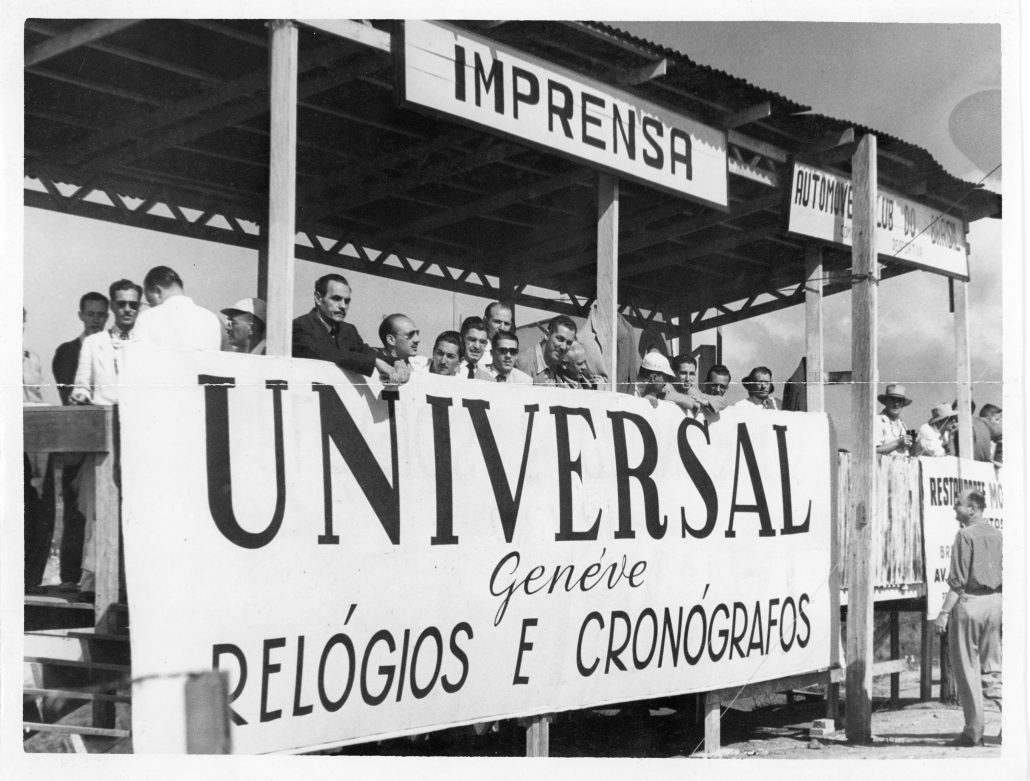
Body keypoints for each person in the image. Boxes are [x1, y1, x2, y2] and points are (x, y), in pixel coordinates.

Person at [934, 489, 1002, 747]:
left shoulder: (964, 535)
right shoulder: (997, 534)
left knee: (967, 669)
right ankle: (1014, 724)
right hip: (995, 602)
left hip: (970, 603)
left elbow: (957, 583)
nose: (954, 508)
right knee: (993, 668)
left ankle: (973, 732)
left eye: (958, 504)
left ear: (972, 508)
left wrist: (943, 613)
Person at [292, 274, 408, 384]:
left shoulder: (348, 330)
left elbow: (366, 352)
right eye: (336, 299)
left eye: (347, 301)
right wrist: (374, 362)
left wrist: (396, 362)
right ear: (318, 298)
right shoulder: (300, 326)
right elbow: (326, 353)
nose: (343, 306)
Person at [70, 280, 142, 406]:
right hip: (105, 417)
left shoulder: (148, 342)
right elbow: (82, 386)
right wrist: (80, 395)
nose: (127, 309)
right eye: (121, 304)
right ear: (112, 306)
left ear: (139, 307)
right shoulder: (92, 343)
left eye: (133, 305)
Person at [133, 265, 222, 350]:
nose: (151, 306)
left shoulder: (146, 318)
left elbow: (140, 360)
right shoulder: (212, 319)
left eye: (150, 301)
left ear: (157, 291)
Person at [53, 292, 109, 405]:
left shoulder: (113, 349)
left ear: (107, 317)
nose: (96, 320)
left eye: (100, 315)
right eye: (90, 314)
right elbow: (68, 395)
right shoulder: (66, 352)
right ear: (81, 315)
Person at [515, 314, 577, 386]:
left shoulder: (558, 364)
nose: (564, 347)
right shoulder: (524, 362)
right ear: (547, 335)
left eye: (569, 343)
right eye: (560, 339)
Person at [875, 383, 913, 456]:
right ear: (886, 401)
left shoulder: (902, 425)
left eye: (899, 400)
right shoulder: (877, 421)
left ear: (903, 404)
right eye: (892, 399)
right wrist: (898, 443)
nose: (896, 404)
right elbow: (874, 452)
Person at [481, 301, 514, 369]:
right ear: (485, 322)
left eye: (506, 324)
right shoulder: (478, 352)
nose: (502, 328)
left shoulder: (513, 354)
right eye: (497, 322)